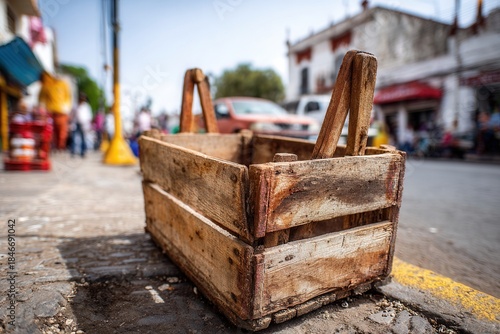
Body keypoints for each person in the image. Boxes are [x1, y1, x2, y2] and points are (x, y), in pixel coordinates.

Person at [38, 72, 72, 151]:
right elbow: (41, 98)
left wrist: (66, 108)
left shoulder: (63, 84)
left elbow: (68, 97)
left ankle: (60, 147)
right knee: (50, 130)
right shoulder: (47, 85)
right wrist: (42, 107)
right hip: (49, 112)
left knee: (61, 132)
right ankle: (51, 146)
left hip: (61, 112)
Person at [70, 93, 92, 158]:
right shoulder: (75, 106)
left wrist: (88, 125)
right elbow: (72, 114)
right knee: (74, 138)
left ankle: (83, 152)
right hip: (76, 123)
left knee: (83, 139)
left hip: (83, 124)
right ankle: (73, 152)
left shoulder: (86, 107)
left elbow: (89, 116)